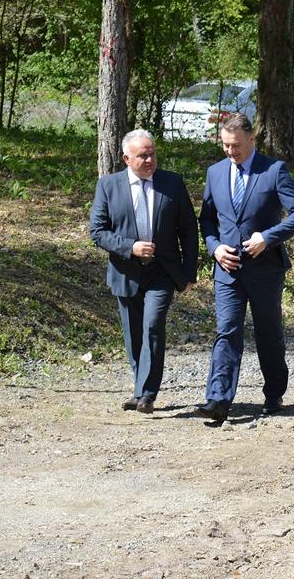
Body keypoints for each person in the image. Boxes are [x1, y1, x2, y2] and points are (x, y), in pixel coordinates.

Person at [196, 113, 294, 423]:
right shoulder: (215, 173)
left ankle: (274, 392)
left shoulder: (274, 171)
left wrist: (268, 238)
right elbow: (207, 219)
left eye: (235, 145)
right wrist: (214, 247)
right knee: (227, 331)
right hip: (228, 269)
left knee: (268, 332)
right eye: (225, 145)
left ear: (251, 139)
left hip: (265, 270)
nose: (230, 151)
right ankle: (218, 399)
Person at [89, 129, 199, 413]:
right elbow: (98, 231)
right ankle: (140, 389)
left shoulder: (172, 183)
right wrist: (131, 247)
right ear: (126, 158)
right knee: (134, 334)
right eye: (143, 155)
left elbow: (189, 230)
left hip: (162, 271)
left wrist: (189, 273)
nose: (150, 160)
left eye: (153, 154)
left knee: (153, 326)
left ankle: (147, 394)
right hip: (126, 272)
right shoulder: (108, 186)